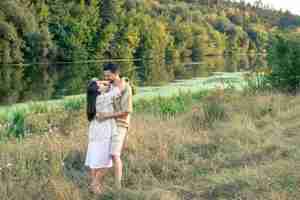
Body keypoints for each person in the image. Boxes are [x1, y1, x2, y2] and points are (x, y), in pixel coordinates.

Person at [96, 63, 133, 189]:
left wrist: (106, 116)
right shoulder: (111, 86)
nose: (106, 78)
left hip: (120, 124)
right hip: (110, 124)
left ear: (116, 73)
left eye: (108, 75)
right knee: (105, 154)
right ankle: (97, 184)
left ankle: (118, 187)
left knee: (114, 154)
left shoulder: (126, 88)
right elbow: (98, 85)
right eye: (105, 75)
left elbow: (126, 111)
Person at [85, 78, 124, 194]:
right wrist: (123, 80)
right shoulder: (102, 99)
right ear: (97, 90)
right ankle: (94, 185)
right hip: (103, 135)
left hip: (94, 135)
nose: (103, 84)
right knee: (106, 164)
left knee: (94, 163)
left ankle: (96, 189)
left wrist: (103, 83)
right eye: (100, 84)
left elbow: (108, 89)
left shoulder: (92, 100)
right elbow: (118, 90)